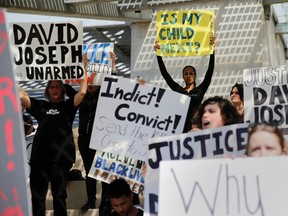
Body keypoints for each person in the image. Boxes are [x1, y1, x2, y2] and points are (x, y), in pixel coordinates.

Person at [19, 55, 88, 216]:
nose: (55, 89)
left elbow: (82, 93)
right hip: (39, 159)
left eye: (58, 86)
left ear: (62, 90)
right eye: (52, 87)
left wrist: (83, 67)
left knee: (59, 196)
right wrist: (10, 68)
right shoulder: (40, 105)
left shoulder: (68, 106)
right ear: (47, 90)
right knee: (37, 198)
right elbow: (21, 96)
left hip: (61, 159)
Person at [65, 51, 118, 212]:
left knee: (103, 171)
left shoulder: (104, 96)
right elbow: (65, 86)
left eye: (95, 82)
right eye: (90, 82)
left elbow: (114, 83)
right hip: (84, 138)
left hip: (101, 138)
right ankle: (91, 201)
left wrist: (113, 64)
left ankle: (106, 202)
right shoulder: (80, 96)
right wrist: (83, 67)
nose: (92, 84)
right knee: (89, 171)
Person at [154, 37, 216, 132]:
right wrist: (158, 54)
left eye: (191, 73)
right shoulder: (178, 90)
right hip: (180, 128)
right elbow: (165, 74)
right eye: (186, 74)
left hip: (196, 127)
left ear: (195, 76)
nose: (188, 76)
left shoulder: (200, 90)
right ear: (183, 77)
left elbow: (210, 71)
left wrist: (212, 49)